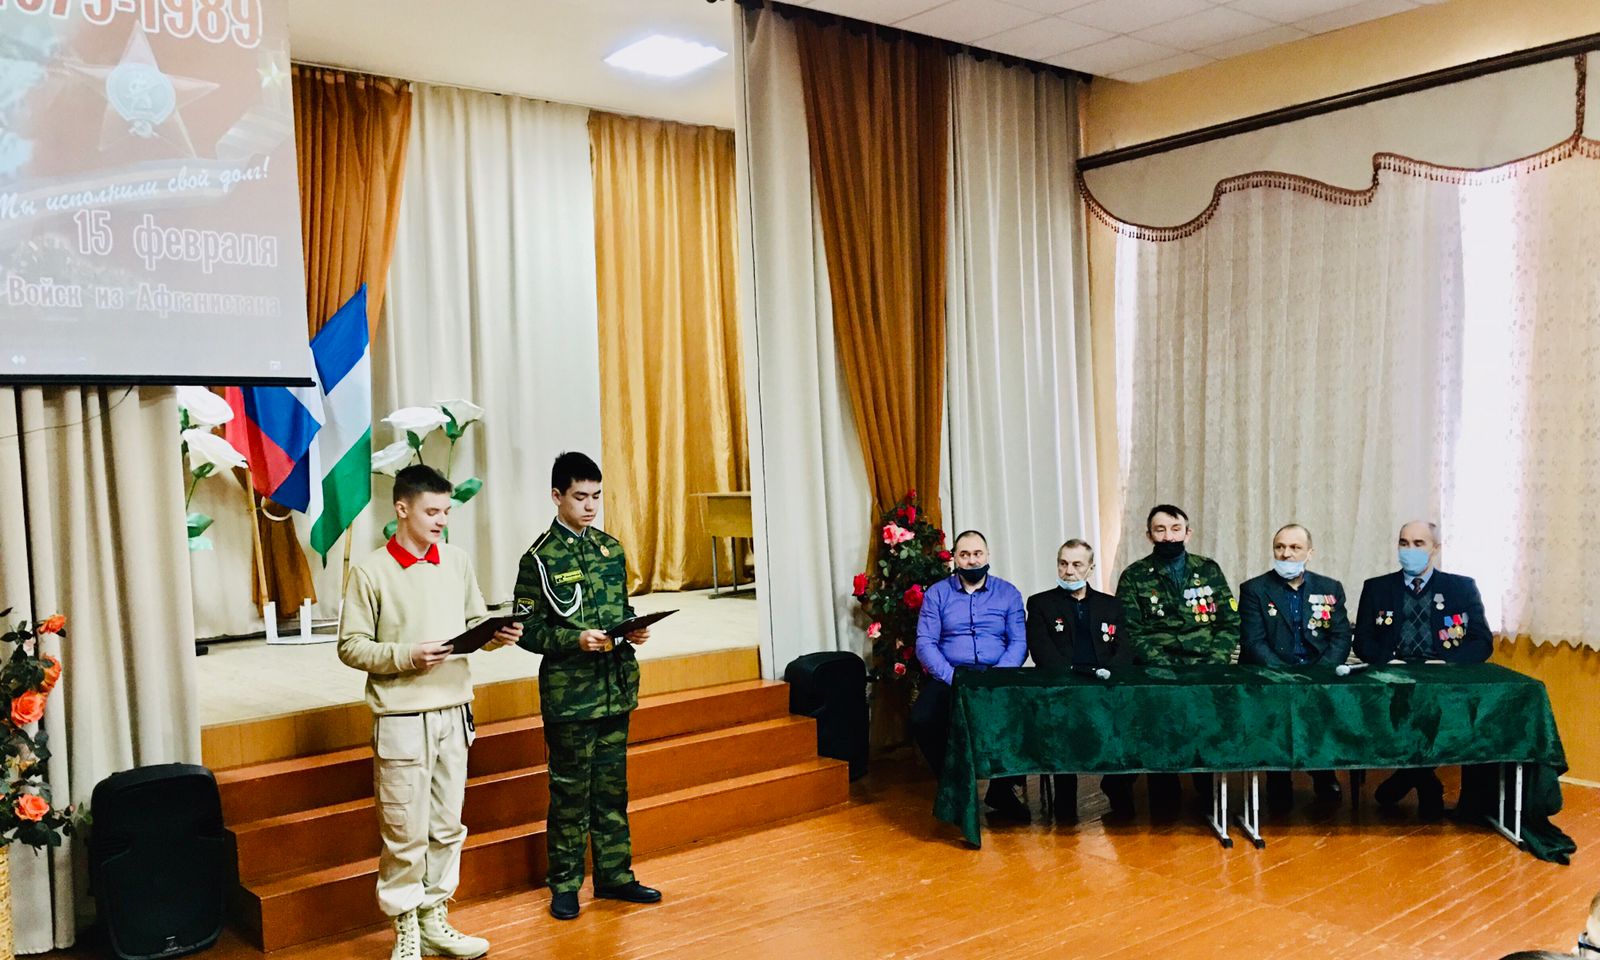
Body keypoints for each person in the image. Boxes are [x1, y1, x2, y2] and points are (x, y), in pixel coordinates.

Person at [338, 465, 522, 960]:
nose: (442, 520)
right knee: (404, 831)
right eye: (432, 511)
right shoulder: (370, 571)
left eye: (446, 511)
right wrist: (407, 655)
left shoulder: (456, 561)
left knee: (446, 826)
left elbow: (473, 621)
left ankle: (434, 919)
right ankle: (406, 928)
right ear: (402, 509)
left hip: (455, 712)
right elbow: (351, 646)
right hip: (401, 719)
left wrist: (495, 635)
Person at [513, 452, 660, 920]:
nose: (591, 505)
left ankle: (615, 876)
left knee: (612, 791)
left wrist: (633, 629)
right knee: (570, 795)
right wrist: (574, 640)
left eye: (596, 495)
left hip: (614, 689)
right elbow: (526, 631)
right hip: (571, 697)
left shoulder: (609, 550)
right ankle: (565, 884)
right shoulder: (538, 558)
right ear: (557, 496)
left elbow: (619, 612)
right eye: (580, 497)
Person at [1353, 520, 1492, 819]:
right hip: (1394, 673)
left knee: (1449, 714)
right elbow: (1362, 640)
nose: (1410, 550)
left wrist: (1448, 663)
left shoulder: (1460, 587)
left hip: (1442, 674)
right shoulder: (1377, 587)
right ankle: (1426, 781)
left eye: (1419, 544)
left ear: (1435, 548)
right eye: (1404, 543)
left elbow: (1482, 642)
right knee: (1399, 711)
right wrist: (1386, 660)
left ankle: (1408, 776)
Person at [1115, 504, 1238, 812]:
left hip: (1205, 667)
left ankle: (1208, 793)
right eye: (1160, 530)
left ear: (1187, 532)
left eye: (1175, 529)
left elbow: (1229, 622)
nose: (1168, 536)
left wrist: (1215, 661)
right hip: (1157, 670)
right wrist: (1162, 666)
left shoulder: (1208, 570)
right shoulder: (1134, 576)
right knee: (1161, 732)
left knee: (1206, 730)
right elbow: (1131, 631)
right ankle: (1164, 794)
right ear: (1149, 535)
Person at [912, 529, 1030, 822]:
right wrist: (952, 677)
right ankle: (953, 783)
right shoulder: (937, 594)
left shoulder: (1008, 593)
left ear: (988, 555)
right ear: (954, 558)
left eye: (977, 554)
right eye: (964, 555)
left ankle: (1001, 790)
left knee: (1022, 713)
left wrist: (997, 677)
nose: (972, 560)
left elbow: (1018, 642)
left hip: (996, 675)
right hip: (951, 675)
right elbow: (925, 643)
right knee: (923, 718)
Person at [1237, 523, 1351, 809]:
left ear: (1309, 552)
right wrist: (1285, 675)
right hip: (1272, 675)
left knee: (1322, 708)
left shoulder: (1330, 588)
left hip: (1317, 672)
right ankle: (1278, 778)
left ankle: (1323, 773)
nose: (1286, 553)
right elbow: (1253, 642)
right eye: (1280, 547)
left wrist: (1320, 672)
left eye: (1295, 547)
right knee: (1277, 713)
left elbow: (1340, 637)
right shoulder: (1254, 589)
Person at [1025, 538, 1134, 819]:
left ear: (1090, 568)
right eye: (1063, 564)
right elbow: (1042, 652)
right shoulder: (1040, 604)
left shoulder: (1111, 605)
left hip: (1105, 689)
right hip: (1063, 690)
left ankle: (1118, 792)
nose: (1069, 571)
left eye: (1077, 564)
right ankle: (1065, 808)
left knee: (1125, 721)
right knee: (1064, 726)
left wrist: (1106, 679)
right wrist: (1073, 681)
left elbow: (1124, 650)